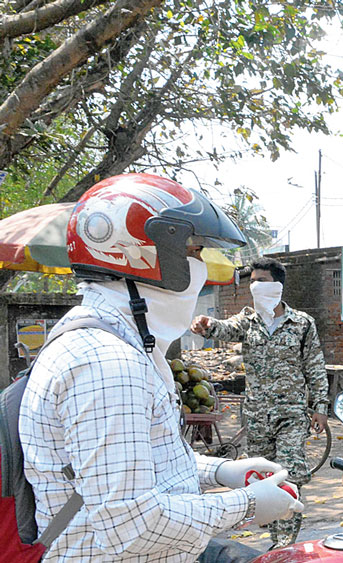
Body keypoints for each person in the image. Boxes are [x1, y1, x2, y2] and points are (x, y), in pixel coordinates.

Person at [20, 174, 302, 562]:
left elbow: (145, 460)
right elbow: (131, 526)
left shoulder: (118, 346)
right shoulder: (106, 364)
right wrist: (247, 504)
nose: (200, 267)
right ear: (139, 254)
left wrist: (222, 472)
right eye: (194, 252)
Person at [191, 257, 327, 549]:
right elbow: (223, 328)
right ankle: (275, 543)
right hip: (256, 416)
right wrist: (206, 325)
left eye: (261, 280)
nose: (254, 286)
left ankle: (285, 545)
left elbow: (315, 367)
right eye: (252, 281)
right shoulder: (247, 321)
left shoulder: (302, 324)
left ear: (277, 284)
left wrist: (321, 408)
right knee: (265, 479)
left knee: (289, 473)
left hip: (291, 414)